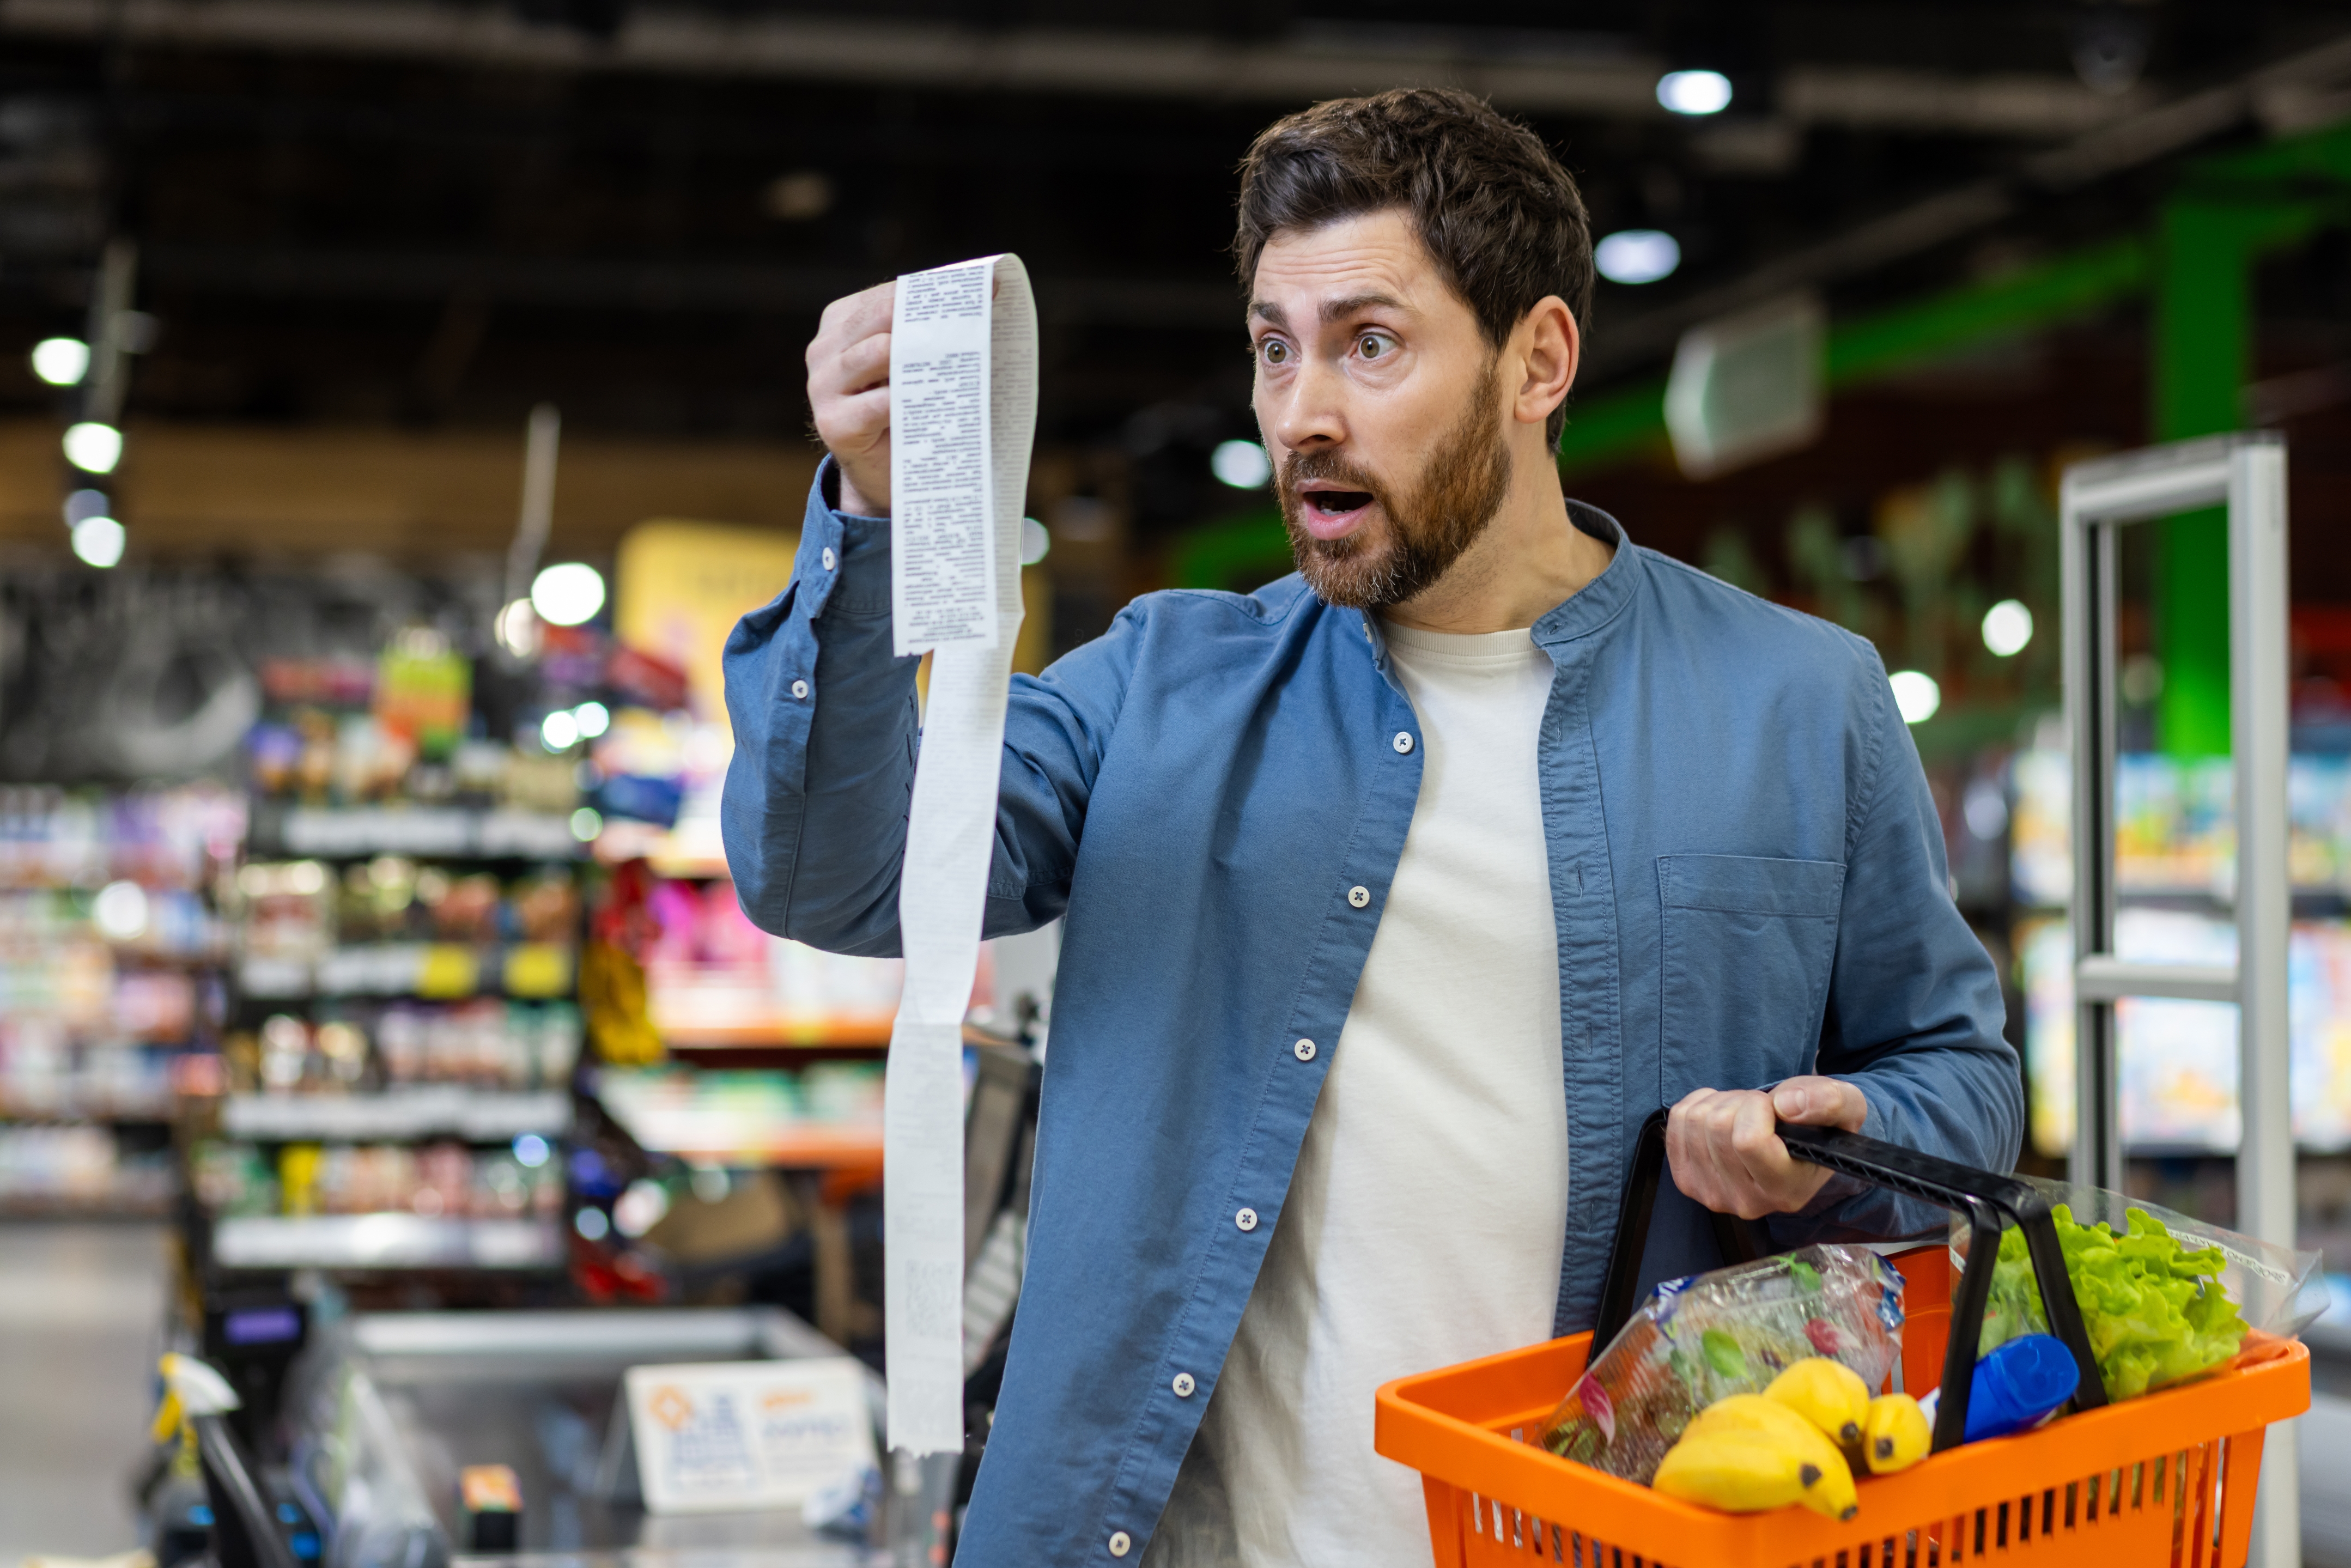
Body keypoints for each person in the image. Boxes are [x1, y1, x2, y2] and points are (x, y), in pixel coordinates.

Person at [724, 87, 2019, 1568]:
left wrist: (1838, 1146)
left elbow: (1957, 1083)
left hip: (1607, 1525)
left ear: (1537, 360)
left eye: (1370, 344)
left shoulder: (1797, 702)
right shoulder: (1156, 686)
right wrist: (875, 522)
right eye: (1275, 348)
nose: (1301, 413)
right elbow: (835, 874)